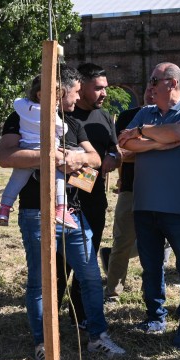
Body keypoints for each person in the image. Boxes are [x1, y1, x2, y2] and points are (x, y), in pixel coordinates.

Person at [0, 66, 126, 360]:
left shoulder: (70, 123)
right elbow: (6, 156)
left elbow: (94, 158)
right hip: (36, 213)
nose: (79, 96)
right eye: (76, 91)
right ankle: (44, 343)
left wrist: (75, 158)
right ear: (58, 92)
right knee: (41, 281)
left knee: (91, 277)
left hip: (73, 213)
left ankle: (97, 337)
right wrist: (50, 157)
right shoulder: (22, 117)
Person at [118, 62, 180, 348]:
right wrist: (158, 143)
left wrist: (144, 133)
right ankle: (155, 316)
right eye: (151, 80)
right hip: (144, 205)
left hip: (179, 208)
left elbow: (177, 134)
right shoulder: (146, 111)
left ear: (174, 84)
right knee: (150, 265)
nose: (151, 84)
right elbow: (124, 143)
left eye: (156, 80)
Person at [57, 63, 120, 325]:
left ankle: (79, 314)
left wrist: (111, 160)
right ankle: (50, 316)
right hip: (63, 203)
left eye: (105, 88)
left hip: (94, 202)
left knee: (88, 262)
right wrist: (87, 167)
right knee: (60, 264)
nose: (104, 93)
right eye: (98, 88)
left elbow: (115, 151)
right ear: (80, 87)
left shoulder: (104, 117)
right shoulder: (62, 116)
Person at [0, 82, 76, 228]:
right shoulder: (49, 113)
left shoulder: (22, 107)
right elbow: (61, 129)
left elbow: (18, 101)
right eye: (57, 97)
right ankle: (62, 209)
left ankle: (4, 209)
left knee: (16, 181)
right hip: (47, 150)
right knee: (59, 179)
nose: (58, 101)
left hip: (26, 148)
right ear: (41, 95)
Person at [104, 86, 149, 299]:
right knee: (122, 240)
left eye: (156, 87)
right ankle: (113, 291)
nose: (151, 92)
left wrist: (137, 149)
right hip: (130, 187)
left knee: (158, 244)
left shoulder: (171, 117)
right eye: (149, 87)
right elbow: (119, 152)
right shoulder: (128, 116)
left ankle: (150, 292)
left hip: (161, 190)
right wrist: (156, 146)